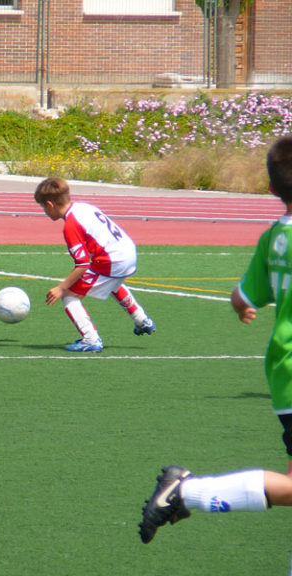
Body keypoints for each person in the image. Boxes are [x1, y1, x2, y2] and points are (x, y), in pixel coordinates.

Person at [139, 135, 292, 544]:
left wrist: (243, 308)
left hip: (283, 370)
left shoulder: (275, 237)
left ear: (273, 189)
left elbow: (241, 296)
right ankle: (187, 493)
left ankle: (187, 493)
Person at [34, 176, 155, 353]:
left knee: (69, 296)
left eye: (43, 207)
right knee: (111, 282)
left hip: (112, 260)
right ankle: (142, 320)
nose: (44, 211)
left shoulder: (70, 225)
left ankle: (90, 339)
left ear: (50, 205)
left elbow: (82, 264)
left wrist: (61, 288)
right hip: (129, 252)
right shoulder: (84, 207)